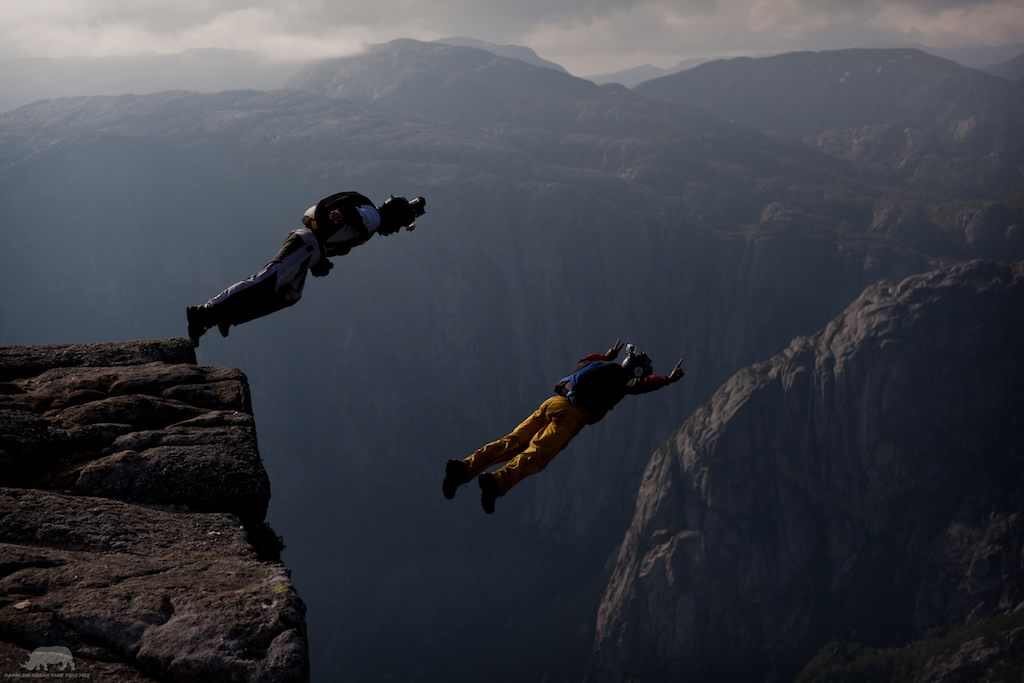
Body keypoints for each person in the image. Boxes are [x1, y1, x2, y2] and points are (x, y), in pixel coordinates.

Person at [443, 341, 684, 513]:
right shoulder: (619, 383)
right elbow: (640, 386)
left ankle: (464, 469)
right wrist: (667, 380)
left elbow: (580, 368)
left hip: (553, 403)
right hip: (571, 416)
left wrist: (605, 356)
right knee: (537, 454)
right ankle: (497, 482)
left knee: (513, 441)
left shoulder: (601, 366)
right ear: (636, 371)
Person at [186, 192, 426, 346]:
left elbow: (339, 223)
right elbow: (346, 214)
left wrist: (321, 261)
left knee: (288, 295)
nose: (395, 231)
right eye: (399, 226)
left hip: (312, 248)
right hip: (308, 244)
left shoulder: (369, 215)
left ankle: (224, 315)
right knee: (267, 280)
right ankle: (206, 312)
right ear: (395, 218)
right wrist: (336, 222)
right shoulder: (372, 218)